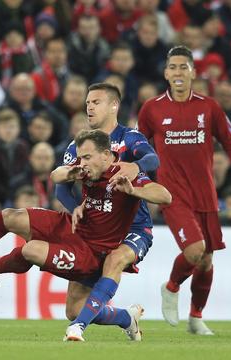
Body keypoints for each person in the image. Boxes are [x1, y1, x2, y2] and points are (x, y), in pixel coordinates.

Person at [0, 129, 172, 342]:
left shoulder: (126, 174)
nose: (82, 162)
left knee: (64, 297)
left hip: (91, 252)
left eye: (88, 157)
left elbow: (164, 196)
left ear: (106, 155)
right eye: (80, 157)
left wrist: (134, 191)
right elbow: (56, 175)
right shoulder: (84, 169)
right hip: (70, 226)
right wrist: (73, 172)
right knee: (11, 215)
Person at [137, 45, 231, 335]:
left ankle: (195, 317)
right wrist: (136, 180)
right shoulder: (152, 108)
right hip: (172, 194)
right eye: (173, 67)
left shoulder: (209, 107)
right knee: (195, 250)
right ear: (166, 73)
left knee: (207, 258)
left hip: (205, 192)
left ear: (194, 72)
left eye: (184, 67)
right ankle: (170, 288)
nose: (179, 72)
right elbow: (138, 147)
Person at [56, 82, 160, 339]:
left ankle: (78, 328)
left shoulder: (130, 138)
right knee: (74, 308)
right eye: (88, 103)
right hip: (96, 230)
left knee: (115, 259)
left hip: (133, 228)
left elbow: (152, 159)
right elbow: (62, 190)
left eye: (96, 102)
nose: (89, 107)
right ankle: (126, 317)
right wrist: (76, 207)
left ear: (114, 105)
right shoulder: (78, 145)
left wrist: (136, 167)